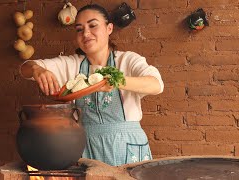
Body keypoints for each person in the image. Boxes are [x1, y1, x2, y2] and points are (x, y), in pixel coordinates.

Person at [19, 4, 164, 166]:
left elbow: (156, 84)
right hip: (86, 147)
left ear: (109, 28)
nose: (86, 33)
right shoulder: (71, 64)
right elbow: (25, 68)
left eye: (93, 25)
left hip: (127, 146)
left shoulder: (128, 60)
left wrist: (117, 81)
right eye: (79, 29)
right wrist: (37, 69)